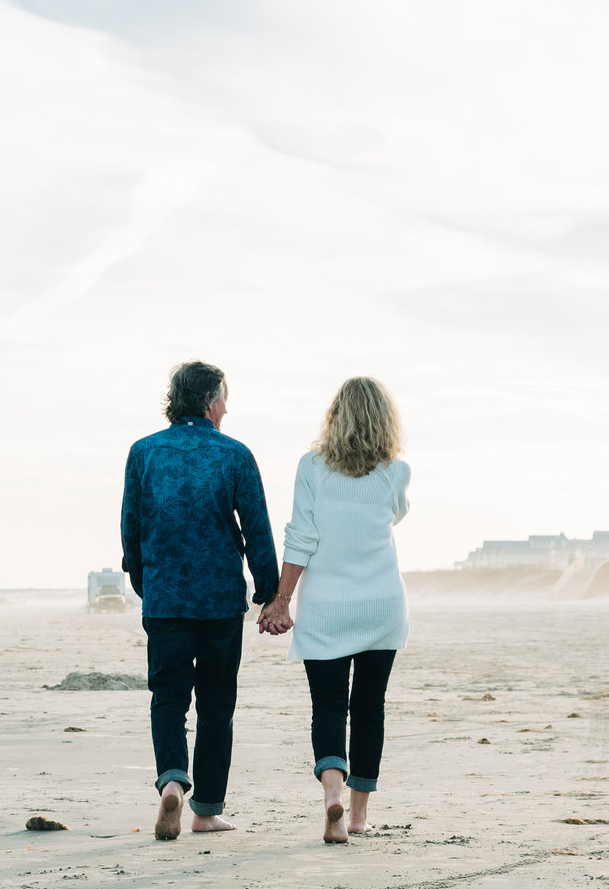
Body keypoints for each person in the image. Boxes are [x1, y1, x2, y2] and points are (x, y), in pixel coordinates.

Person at [120, 360, 280, 841]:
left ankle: (172, 780)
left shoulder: (143, 452)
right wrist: (268, 592)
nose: (227, 408)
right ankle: (206, 809)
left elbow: (132, 528)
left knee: (167, 698)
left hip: (166, 598)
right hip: (219, 601)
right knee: (216, 706)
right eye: (225, 398)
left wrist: (144, 583)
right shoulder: (234, 455)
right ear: (211, 401)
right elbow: (257, 530)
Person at [257, 377, 409, 844]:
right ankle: (359, 815)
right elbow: (397, 514)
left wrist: (280, 600)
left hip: (327, 607)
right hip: (381, 603)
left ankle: (332, 799)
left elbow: (301, 537)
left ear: (335, 415)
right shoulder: (396, 471)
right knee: (369, 707)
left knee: (327, 705)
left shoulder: (312, 467)